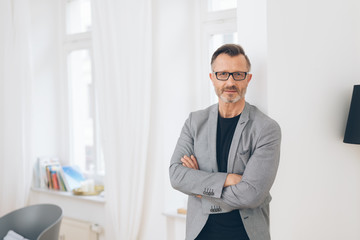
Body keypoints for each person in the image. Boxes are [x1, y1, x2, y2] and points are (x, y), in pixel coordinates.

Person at [169, 44, 281, 240]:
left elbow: (252, 194)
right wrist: (228, 179)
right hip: (200, 233)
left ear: (248, 78)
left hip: (245, 234)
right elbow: (177, 175)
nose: (230, 82)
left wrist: (200, 190)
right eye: (222, 74)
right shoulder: (195, 122)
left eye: (238, 74)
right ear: (212, 78)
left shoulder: (266, 128)